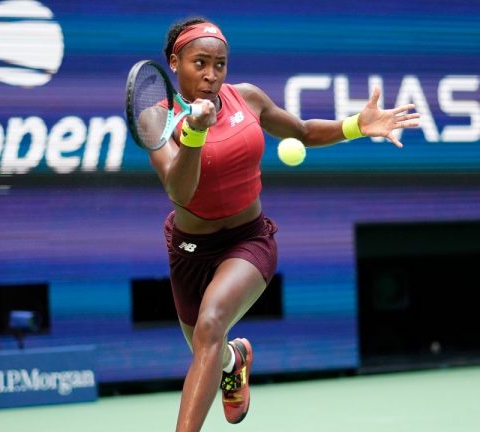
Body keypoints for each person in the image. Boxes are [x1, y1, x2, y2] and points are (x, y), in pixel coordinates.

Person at [147, 17, 420, 432]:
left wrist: (357, 126)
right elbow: (180, 191)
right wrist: (195, 134)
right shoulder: (156, 119)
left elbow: (304, 131)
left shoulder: (248, 99)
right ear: (175, 62)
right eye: (199, 63)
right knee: (209, 346)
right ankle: (234, 362)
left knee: (210, 325)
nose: (210, 75)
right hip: (189, 249)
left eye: (219, 65)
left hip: (248, 240)